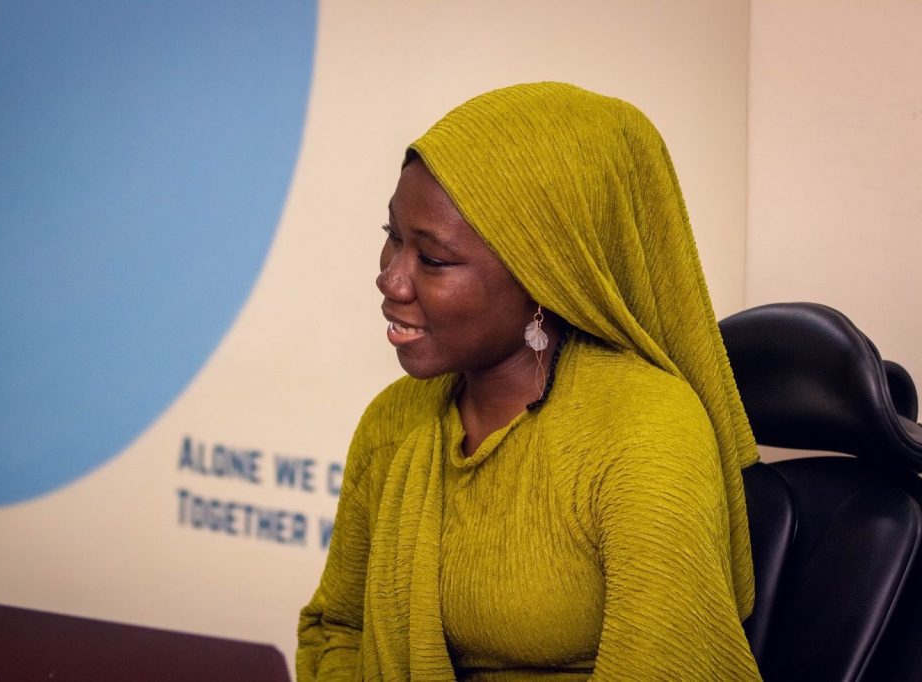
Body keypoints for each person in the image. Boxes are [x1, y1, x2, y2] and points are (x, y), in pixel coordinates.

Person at [297, 82, 761, 680]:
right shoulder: (395, 421)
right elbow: (339, 628)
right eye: (392, 238)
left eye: (433, 260)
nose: (391, 280)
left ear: (545, 276)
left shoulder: (643, 431)